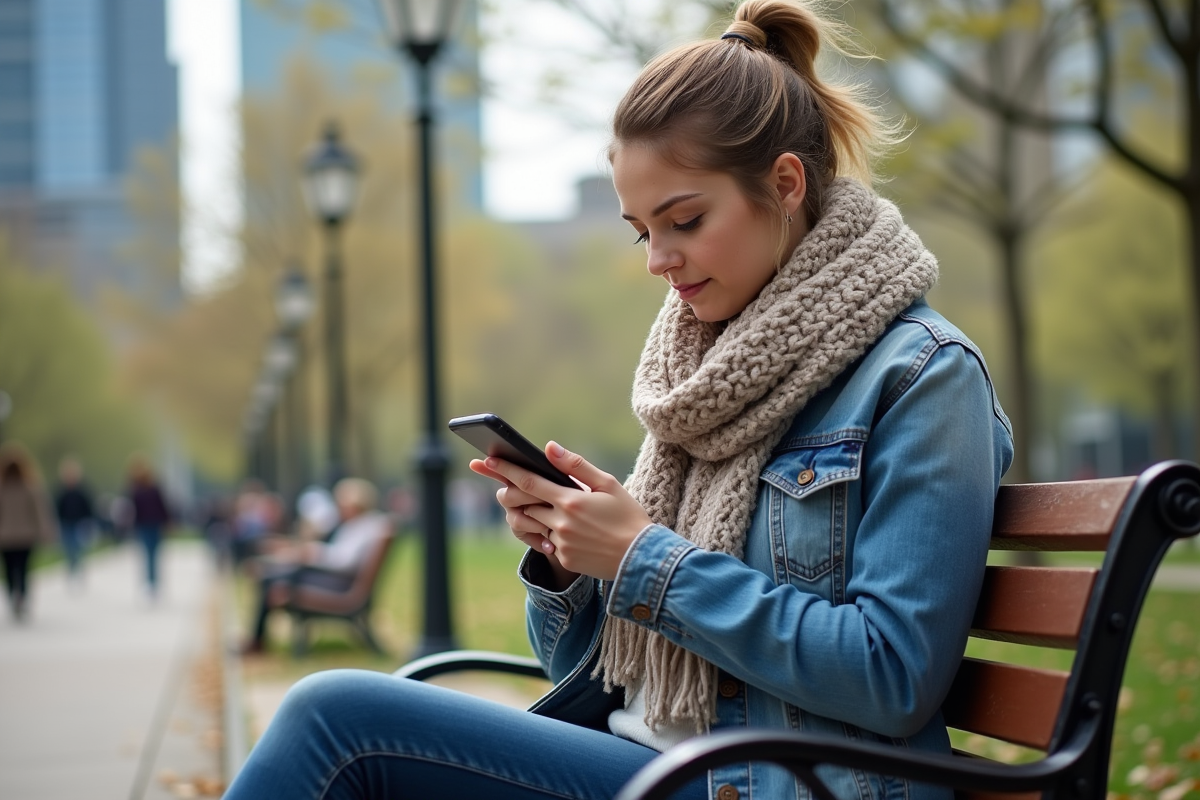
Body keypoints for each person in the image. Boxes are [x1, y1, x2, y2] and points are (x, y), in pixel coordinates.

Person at [224, 2, 1014, 798]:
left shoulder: (921, 376)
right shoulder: (701, 383)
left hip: (750, 784)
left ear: (783, 184)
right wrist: (574, 566)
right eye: (642, 231)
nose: (658, 261)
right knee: (333, 723)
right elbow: (595, 673)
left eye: (685, 221)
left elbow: (893, 675)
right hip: (655, 762)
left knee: (335, 719)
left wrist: (647, 561)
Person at [239, 477, 391, 654]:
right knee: (272, 578)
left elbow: (344, 562)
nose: (340, 510)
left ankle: (257, 642)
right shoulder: (358, 525)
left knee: (273, 581)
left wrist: (312, 553)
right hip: (337, 580)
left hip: (340, 586)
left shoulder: (365, 527)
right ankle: (257, 640)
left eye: (343, 505)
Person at [0, 443, 58, 621]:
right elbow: (40, 513)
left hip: (6, 537)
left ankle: (13, 597)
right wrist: (46, 532)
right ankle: (22, 597)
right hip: (25, 536)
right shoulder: (31, 487)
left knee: (9, 569)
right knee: (23, 569)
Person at [126, 455, 172, 601]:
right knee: (149, 555)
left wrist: (167, 521)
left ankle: (153, 583)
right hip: (144, 526)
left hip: (154, 525)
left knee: (153, 555)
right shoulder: (136, 490)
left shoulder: (153, 488)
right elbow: (134, 511)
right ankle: (151, 583)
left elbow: (162, 506)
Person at [54, 455, 97, 586]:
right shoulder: (61, 490)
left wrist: (90, 521)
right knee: (68, 549)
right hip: (66, 523)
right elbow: (57, 507)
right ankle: (72, 570)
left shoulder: (82, 490)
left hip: (80, 523)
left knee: (78, 548)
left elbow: (89, 507)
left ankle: (78, 570)